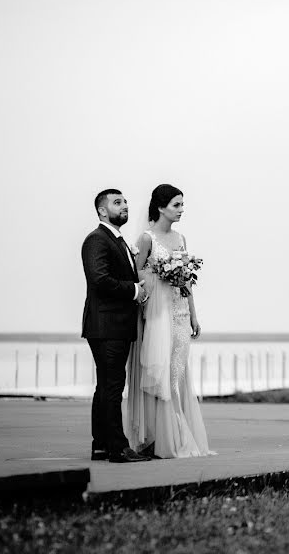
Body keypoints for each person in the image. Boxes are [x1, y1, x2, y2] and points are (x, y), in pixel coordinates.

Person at [125, 183, 214, 458]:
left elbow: (186, 281)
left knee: (178, 372)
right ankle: (157, 436)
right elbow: (135, 277)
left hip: (180, 314)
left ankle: (178, 431)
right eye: (176, 205)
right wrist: (159, 277)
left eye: (182, 204)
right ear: (161, 207)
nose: (181, 210)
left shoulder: (181, 239)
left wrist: (194, 315)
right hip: (157, 315)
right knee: (159, 371)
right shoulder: (146, 239)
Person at [81, 189, 151, 463]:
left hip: (114, 324)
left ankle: (101, 445)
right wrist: (134, 290)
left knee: (106, 386)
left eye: (125, 202)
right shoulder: (97, 240)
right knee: (112, 386)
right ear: (101, 210)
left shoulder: (117, 240)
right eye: (117, 202)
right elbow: (99, 279)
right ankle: (118, 448)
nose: (124, 206)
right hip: (106, 325)